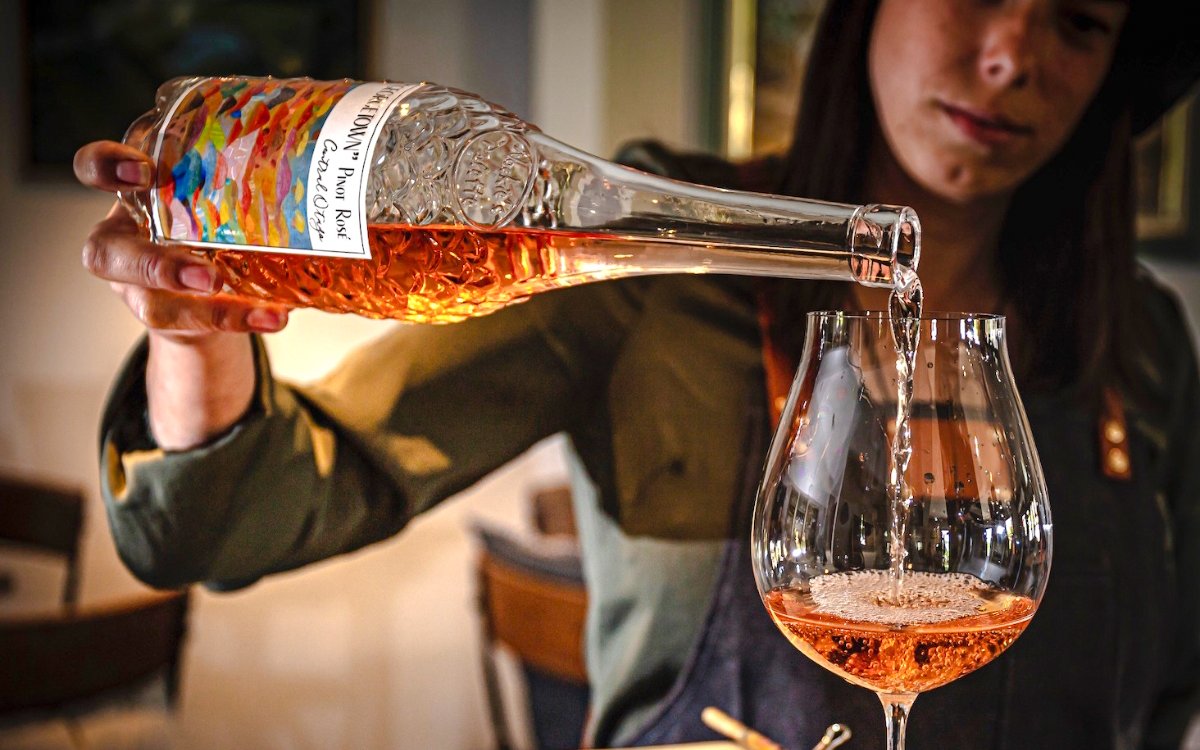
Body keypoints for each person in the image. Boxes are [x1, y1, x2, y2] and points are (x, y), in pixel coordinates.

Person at [74, 0, 1200, 747]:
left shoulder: (1142, 340)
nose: (1012, 52)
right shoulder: (642, 269)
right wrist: (193, 331)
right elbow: (215, 529)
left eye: (1080, 20)